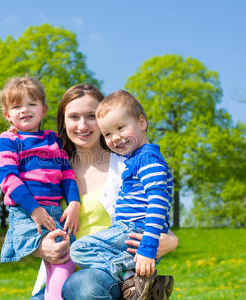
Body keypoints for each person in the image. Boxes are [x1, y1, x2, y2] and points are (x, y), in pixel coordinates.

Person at [30, 84, 178, 300]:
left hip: (101, 279)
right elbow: (28, 227)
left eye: (91, 116)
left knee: (83, 286)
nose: (82, 125)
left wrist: (172, 241)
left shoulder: (126, 164)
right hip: (59, 276)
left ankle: (134, 287)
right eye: (73, 117)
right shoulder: (52, 170)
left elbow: (155, 207)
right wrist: (40, 248)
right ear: (63, 122)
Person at [69, 90, 174, 299]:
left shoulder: (147, 159)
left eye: (120, 128)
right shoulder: (135, 159)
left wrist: (147, 248)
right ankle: (135, 279)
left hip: (135, 231)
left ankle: (130, 276)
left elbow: (158, 202)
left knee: (80, 249)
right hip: (131, 232)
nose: (115, 137)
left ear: (142, 123)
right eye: (107, 133)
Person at [0, 77, 80, 300]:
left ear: (43, 110)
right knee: (66, 256)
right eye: (16, 106)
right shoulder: (8, 140)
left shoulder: (53, 140)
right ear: (7, 115)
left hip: (54, 211)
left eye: (31, 104)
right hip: (26, 213)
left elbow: (67, 174)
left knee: (63, 259)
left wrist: (74, 202)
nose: (24, 110)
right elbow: (9, 179)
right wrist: (34, 210)